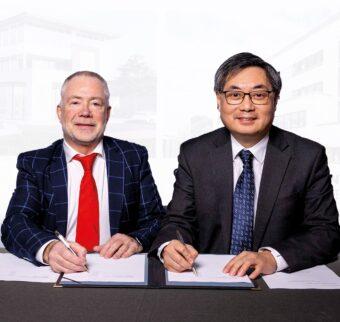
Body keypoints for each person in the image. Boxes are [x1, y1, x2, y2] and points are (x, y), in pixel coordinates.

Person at [150, 52, 340, 279]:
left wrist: (272, 258)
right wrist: (170, 245)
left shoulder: (308, 156)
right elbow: (178, 220)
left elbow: (326, 232)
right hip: (209, 282)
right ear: (219, 100)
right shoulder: (195, 153)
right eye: (235, 95)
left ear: (275, 100)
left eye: (259, 95)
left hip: (275, 285)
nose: (247, 106)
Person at [1, 71, 164, 273]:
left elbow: (157, 219)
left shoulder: (133, 157)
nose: (85, 112)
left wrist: (136, 240)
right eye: (75, 102)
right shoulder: (35, 163)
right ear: (60, 112)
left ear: (108, 113)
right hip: (58, 273)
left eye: (95, 103)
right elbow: (14, 224)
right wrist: (49, 248)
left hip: (117, 270)